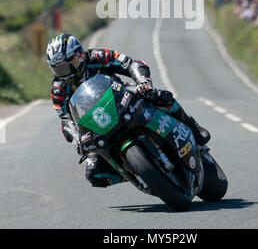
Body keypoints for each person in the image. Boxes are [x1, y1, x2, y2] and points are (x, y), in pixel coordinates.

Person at [46, 33, 210, 188]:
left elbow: (131, 64)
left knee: (161, 97)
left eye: (68, 66)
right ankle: (136, 172)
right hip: (95, 123)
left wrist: (143, 82)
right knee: (95, 174)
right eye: (58, 69)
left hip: (121, 97)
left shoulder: (98, 56)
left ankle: (193, 129)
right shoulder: (58, 89)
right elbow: (65, 119)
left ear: (79, 55)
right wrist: (77, 139)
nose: (65, 73)